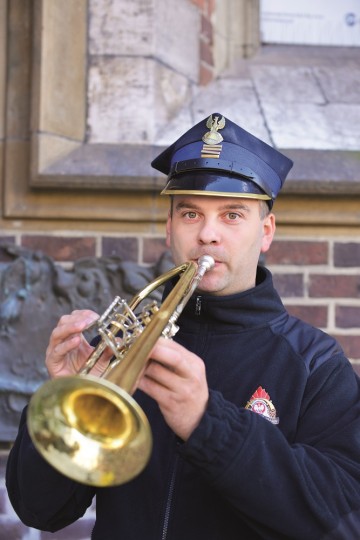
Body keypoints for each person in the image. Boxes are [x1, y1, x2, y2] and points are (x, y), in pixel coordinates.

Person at [6, 113, 360, 540]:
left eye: (232, 215)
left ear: (265, 231)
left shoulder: (315, 363)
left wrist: (208, 422)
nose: (208, 234)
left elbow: (343, 521)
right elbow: (39, 511)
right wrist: (64, 399)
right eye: (191, 214)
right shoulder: (118, 345)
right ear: (170, 228)